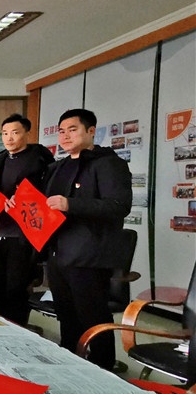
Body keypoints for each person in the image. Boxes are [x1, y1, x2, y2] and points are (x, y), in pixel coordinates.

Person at [45, 108, 132, 369]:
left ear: (91, 131)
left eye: (72, 130)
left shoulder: (108, 163)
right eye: (62, 131)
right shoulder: (58, 166)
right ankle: (69, 362)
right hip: (58, 251)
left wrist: (70, 204)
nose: (65, 136)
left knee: (93, 317)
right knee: (66, 315)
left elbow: (118, 206)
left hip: (89, 255)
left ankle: (103, 367)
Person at [0, 114, 55, 326]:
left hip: (23, 234)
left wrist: (27, 197)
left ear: (27, 133)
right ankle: (4, 324)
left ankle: (18, 327)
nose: (9, 138)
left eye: (15, 132)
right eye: (5, 133)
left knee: (16, 287)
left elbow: (49, 193)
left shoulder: (40, 160)